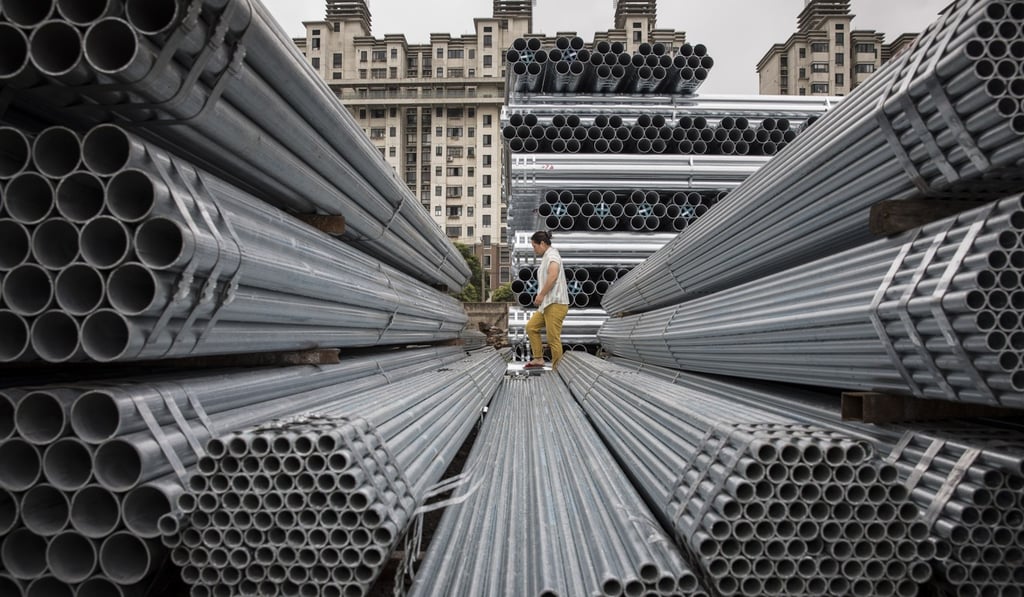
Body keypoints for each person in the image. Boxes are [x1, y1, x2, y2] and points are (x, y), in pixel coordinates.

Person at [524, 230, 570, 369]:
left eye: (535, 246)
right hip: (547, 304)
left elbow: (553, 275)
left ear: (542, 243)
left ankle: (557, 369)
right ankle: (538, 358)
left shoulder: (552, 255)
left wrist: (541, 294)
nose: (534, 249)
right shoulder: (546, 256)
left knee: (553, 339)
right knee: (531, 327)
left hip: (556, 303)